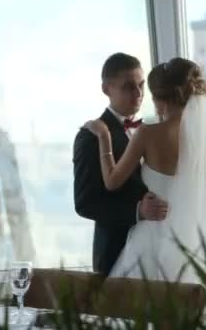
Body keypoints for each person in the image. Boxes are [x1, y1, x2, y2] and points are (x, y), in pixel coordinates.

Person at [84, 57, 206, 283]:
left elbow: (111, 181)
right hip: (196, 241)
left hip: (151, 238)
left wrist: (103, 137)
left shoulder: (148, 132)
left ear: (161, 99)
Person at [73, 53, 168, 276]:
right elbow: (85, 203)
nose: (139, 93)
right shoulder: (91, 137)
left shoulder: (152, 129)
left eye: (141, 85)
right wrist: (138, 212)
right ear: (106, 89)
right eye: (128, 87)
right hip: (116, 255)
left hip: (160, 249)